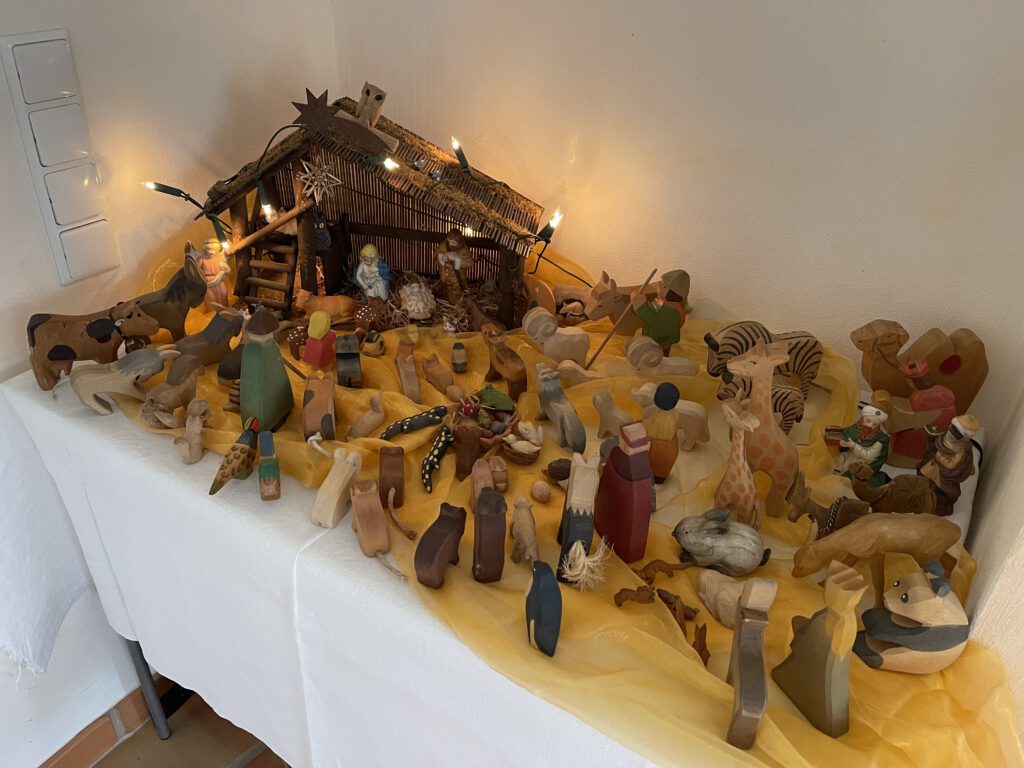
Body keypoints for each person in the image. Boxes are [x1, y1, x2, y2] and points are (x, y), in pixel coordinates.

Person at [917, 414, 978, 516]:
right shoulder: (945, 438)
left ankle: (936, 505)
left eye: (957, 432)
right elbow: (934, 447)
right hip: (932, 467)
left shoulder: (961, 452)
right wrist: (931, 440)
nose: (952, 433)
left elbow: (954, 466)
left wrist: (942, 460)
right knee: (923, 478)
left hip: (944, 476)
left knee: (940, 492)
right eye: (953, 428)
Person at [834, 405, 890, 487]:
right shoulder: (855, 429)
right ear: (862, 418)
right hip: (850, 458)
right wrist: (844, 443)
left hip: (863, 464)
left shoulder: (880, 440)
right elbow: (845, 434)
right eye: (868, 421)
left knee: (848, 479)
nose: (870, 426)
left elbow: (869, 456)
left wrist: (854, 446)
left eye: (875, 424)